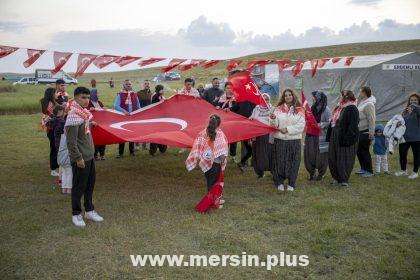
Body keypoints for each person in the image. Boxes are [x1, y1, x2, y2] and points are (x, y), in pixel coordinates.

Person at [65, 86, 103, 227]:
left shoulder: (83, 114)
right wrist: (78, 158)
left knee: (90, 185)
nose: (86, 100)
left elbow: (82, 131)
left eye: (88, 97)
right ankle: (76, 214)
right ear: (75, 98)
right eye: (83, 97)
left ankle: (89, 210)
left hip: (89, 156)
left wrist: (90, 124)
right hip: (81, 158)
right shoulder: (73, 116)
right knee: (78, 187)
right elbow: (71, 142)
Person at [186, 114, 229, 212]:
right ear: (219, 124)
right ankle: (212, 203)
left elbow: (197, 146)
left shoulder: (202, 133)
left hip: (205, 161)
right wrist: (223, 159)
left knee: (210, 182)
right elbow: (222, 150)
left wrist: (197, 157)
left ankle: (215, 200)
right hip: (216, 163)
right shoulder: (220, 134)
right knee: (213, 184)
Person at [269, 88, 305, 191]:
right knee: (279, 161)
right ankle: (279, 181)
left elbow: (301, 125)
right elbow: (274, 125)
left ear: (293, 96)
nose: (288, 97)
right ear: (283, 98)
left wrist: (288, 129)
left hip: (294, 140)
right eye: (286, 95)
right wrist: (273, 118)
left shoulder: (300, 109)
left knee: (293, 162)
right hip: (280, 140)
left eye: (290, 95)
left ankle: (291, 183)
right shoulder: (278, 109)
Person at [327, 90, 359, 188]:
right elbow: (333, 122)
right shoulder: (339, 107)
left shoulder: (352, 108)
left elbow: (353, 125)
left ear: (347, 97)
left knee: (344, 158)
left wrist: (347, 138)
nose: (340, 97)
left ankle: (344, 179)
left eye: (342, 96)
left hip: (345, 136)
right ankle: (336, 177)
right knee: (333, 156)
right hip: (335, 134)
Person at [304, 91, 331, 181]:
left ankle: (321, 173)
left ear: (318, 98)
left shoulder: (326, 109)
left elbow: (329, 122)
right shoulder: (312, 108)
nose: (312, 98)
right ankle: (312, 173)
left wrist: (319, 125)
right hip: (310, 135)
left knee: (321, 156)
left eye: (313, 96)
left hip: (320, 137)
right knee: (310, 154)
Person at [395, 93, 420, 179]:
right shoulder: (405, 110)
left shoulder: (418, 110)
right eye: (411, 100)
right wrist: (398, 123)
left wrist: (414, 107)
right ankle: (403, 170)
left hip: (416, 137)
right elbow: (401, 120)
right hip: (405, 137)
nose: (413, 101)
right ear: (409, 101)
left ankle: (415, 172)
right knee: (402, 154)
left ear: (418, 101)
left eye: (415, 100)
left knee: (416, 155)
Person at [114, 79, 141, 158]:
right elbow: (116, 106)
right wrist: (124, 111)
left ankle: (132, 151)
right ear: (124, 85)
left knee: (132, 134)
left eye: (130, 84)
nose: (128, 85)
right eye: (127, 84)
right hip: (123, 118)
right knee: (122, 135)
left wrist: (140, 112)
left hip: (133, 118)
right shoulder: (120, 94)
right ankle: (120, 153)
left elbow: (138, 105)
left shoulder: (134, 94)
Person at [249, 93, 273, 178]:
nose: (265, 101)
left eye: (266, 99)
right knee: (258, 153)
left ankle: (272, 170)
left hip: (268, 135)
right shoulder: (256, 108)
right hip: (258, 135)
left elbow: (274, 121)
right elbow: (251, 118)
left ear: (269, 100)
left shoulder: (272, 109)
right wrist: (251, 119)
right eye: (263, 99)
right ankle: (260, 172)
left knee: (268, 153)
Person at [356, 86, 376, 177]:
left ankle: (369, 170)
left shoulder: (369, 104)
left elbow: (371, 119)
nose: (360, 93)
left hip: (365, 131)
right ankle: (363, 168)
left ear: (364, 93)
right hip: (359, 130)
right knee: (359, 150)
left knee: (364, 151)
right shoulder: (362, 102)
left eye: (361, 92)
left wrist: (371, 132)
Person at [216, 82, 237, 162]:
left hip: (233, 121)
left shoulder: (235, 98)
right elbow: (219, 107)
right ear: (225, 89)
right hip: (224, 122)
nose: (229, 90)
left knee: (233, 139)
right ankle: (223, 154)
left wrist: (230, 110)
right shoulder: (222, 98)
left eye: (231, 88)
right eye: (227, 88)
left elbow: (237, 109)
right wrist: (218, 107)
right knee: (224, 138)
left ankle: (233, 155)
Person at [40, 87, 59, 176]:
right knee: (54, 148)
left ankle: (55, 167)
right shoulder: (51, 104)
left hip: (50, 128)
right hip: (52, 128)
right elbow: (55, 115)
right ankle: (53, 169)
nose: (57, 94)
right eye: (56, 93)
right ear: (52, 94)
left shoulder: (48, 102)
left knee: (55, 147)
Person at [88, 87, 106, 160]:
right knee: (95, 139)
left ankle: (102, 154)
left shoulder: (100, 102)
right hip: (93, 125)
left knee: (102, 139)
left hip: (101, 124)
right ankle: (95, 155)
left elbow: (104, 111)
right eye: (97, 93)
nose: (98, 94)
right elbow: (85, 110)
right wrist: (89, 109)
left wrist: (105, 109)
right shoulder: (89, 102)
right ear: (93, 94)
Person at [149, 85, 168, 156]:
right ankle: (152, 151)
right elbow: (153, 101)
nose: (163, 91)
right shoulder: (154, 95)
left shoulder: (162, 96)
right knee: (155, 135)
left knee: (163, 134)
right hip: (156, 118)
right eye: (161, 89)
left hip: (163, 118)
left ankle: (162, 149)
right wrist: (159, 94)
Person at [137, 80, 153, 151]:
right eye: (145, 84)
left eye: (148, 84)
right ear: (143, 85)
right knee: (138, 130)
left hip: (148, 115)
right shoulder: (139, 93)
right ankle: (137, 145)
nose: (147, 85)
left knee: (146, 130)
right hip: (140, 114)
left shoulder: (152, 94)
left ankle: (144, 145)